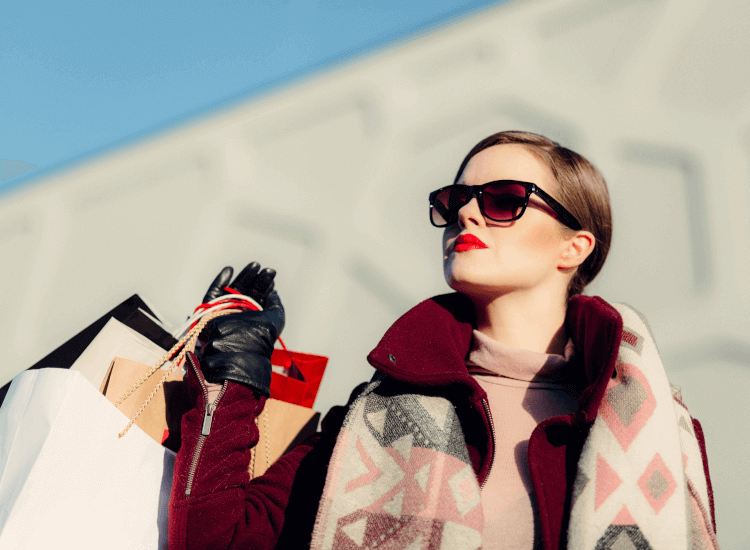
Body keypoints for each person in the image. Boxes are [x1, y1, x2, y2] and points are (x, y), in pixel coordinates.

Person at [168, 131, 718, 550]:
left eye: (504, 200)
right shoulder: (372, 417)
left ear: (573, 247)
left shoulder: (652, 430)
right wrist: (234, 378)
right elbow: (216, 538)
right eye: (457, 200)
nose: (468, 212)